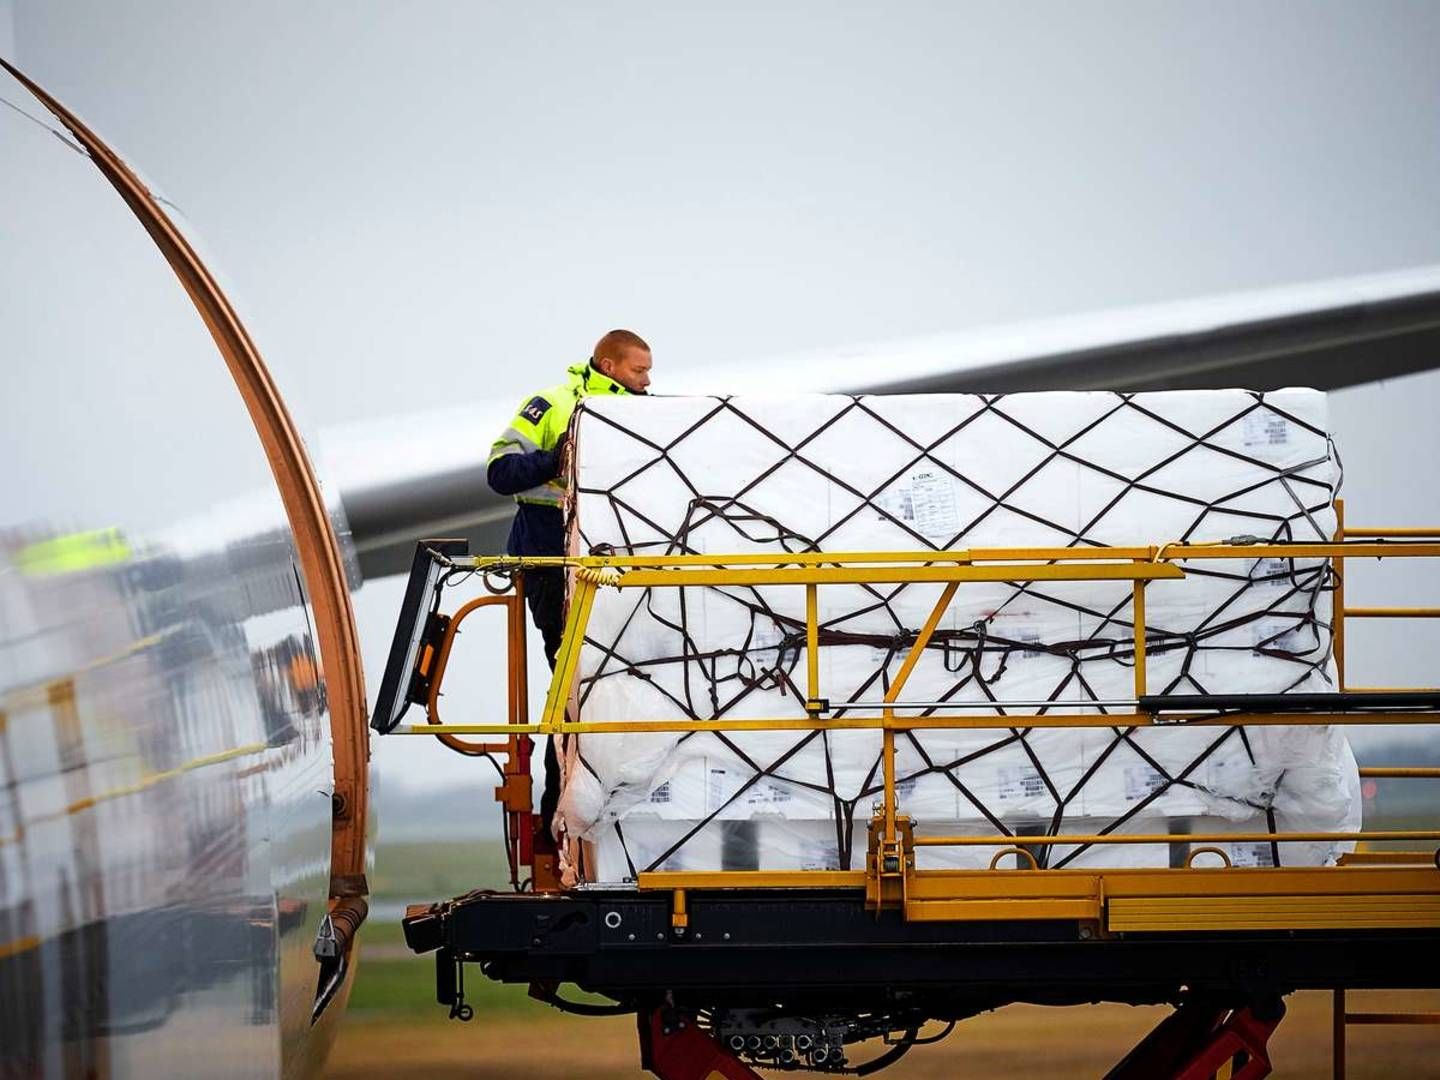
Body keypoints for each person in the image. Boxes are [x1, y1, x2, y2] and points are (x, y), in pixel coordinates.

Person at [486, 329, 653, 834]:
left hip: (618, 572)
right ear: (608, 364)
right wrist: (556, 457)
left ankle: (612, 804)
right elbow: (499, 472)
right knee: (574, 688)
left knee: (624, 683)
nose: (648, 380)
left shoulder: (649, 415)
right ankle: (555, 814)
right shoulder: (551, 405)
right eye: (639, 370)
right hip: (551, 564)